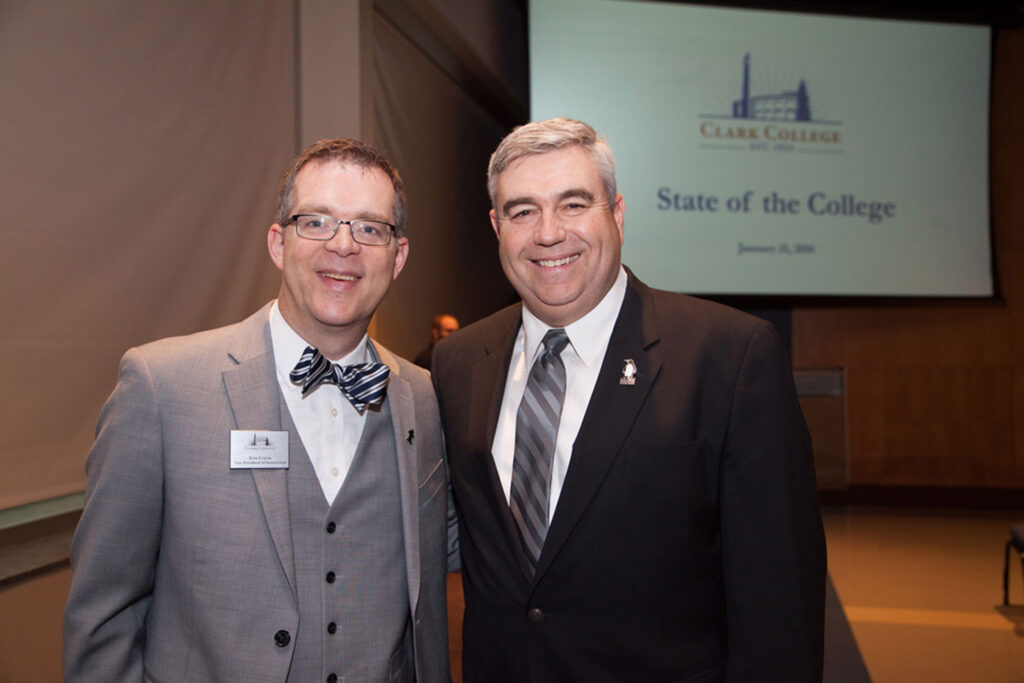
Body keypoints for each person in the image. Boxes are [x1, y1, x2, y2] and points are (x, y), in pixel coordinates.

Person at [432, 118, 825, 681]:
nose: (548, 233)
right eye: (522, 211)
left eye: (573, 204)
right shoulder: (459, 362)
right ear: (497, 226)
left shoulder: (729, 356)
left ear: (616, 214)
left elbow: (779, 600)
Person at [64, 138, 457, 683]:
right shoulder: (162, 387)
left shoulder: (426, 397)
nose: (343, 246)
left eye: (369, 228)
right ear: (278, 242)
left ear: (398, 255)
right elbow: (101, 614)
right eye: (316, 221)